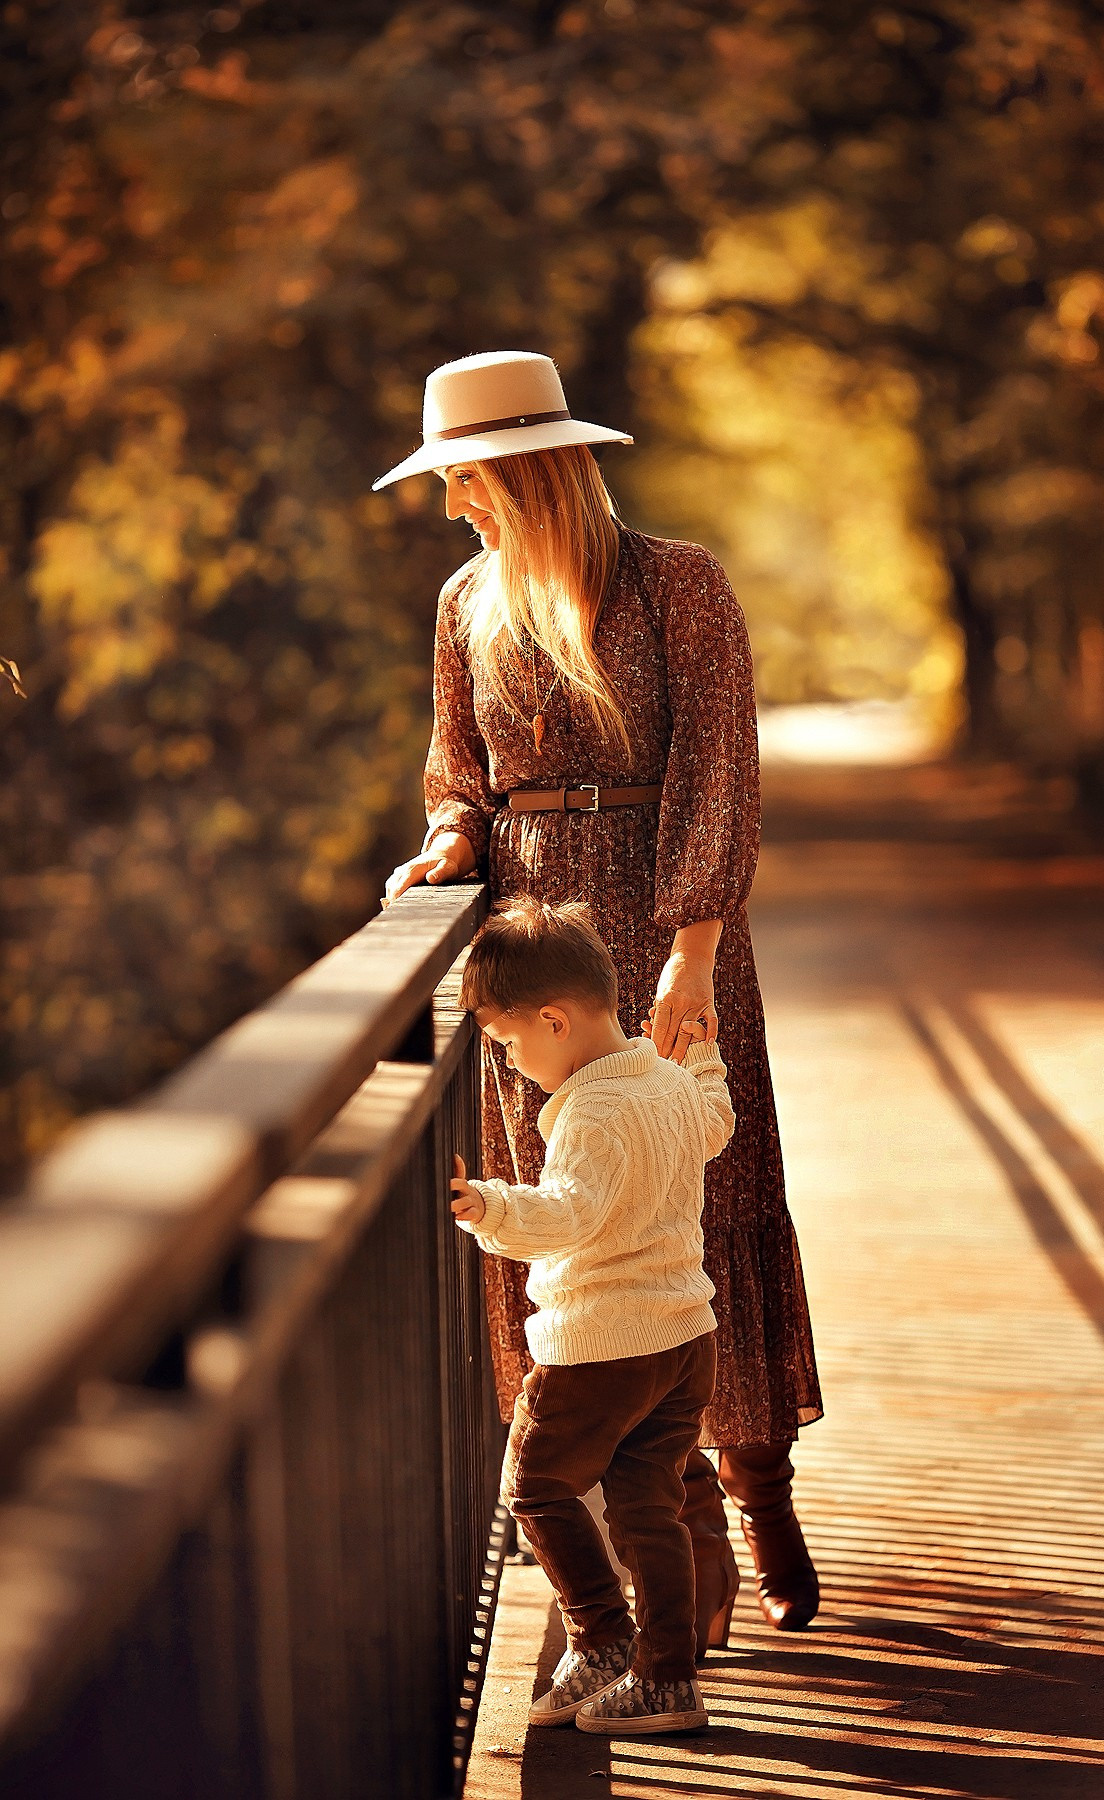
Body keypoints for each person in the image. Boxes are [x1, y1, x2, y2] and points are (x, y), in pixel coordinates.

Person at [378, 350, 823, 1650]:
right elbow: (457, 776)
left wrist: (692, 947)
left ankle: (757, 1487)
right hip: (538, 949)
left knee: (709, 1199)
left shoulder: (682, 585)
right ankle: (656, 1512)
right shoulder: (467, 602)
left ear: (525, 470)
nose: (452, 503)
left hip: (667, 923)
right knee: (581, 1227)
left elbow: (719, 774)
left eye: (463, 477)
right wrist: (452, 843)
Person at [449, 895, 733, 1733]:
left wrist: (486, 1205)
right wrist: (707, 1061)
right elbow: (714, 1122)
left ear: (554, 1019)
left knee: (535, 1489)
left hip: (603, 1343)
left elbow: (568, 1216)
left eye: (507, 1043)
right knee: (649, 1503)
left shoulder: (591, 1113)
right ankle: (668, 1678)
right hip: (686, 1335)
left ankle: (605, 1639)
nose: (509, 1062)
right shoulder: (665, 1079)